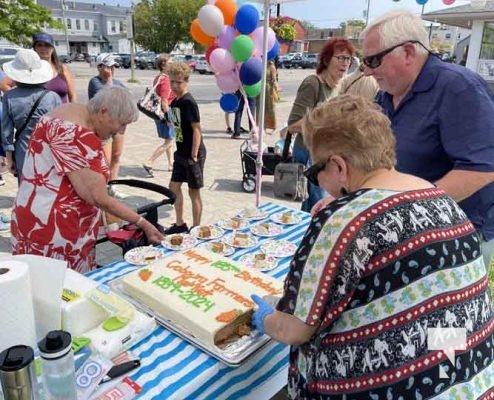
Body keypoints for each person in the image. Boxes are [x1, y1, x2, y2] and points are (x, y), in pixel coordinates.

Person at [251, 95, 494, 399]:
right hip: (468, 383)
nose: (317, 182)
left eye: (315, 172)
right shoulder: (439, 197)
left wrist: (265, 317)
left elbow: (294, 330)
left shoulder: (346, 219)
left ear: (339, 166)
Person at [361, 10, 494, 268]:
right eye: (364, 61)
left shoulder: (459, 87)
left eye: (373, 60)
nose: (366, 71)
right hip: (407, 230)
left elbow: (482, 169)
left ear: (408, 52)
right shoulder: (385, 95)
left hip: (458, 234)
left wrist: (406, 209)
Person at [11, 86, 163, 273]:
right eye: (121, 124)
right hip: (56, 230)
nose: (120, 131)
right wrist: (143, 223)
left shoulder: (63, 112)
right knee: (64, 291)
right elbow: (97, 197)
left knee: (35, 282)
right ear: (103, 111)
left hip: (31, 214)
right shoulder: (78, 136)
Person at [288, 37, 355, 212]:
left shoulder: (338, 87)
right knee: (321, 204)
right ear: (326, 60)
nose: (345, 63)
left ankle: (305, 236)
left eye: (348, 59)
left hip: (328, 155)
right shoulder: (313, 83)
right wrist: (327, 121)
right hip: (310, 153)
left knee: (311, 204)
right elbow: (293, 123)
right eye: (340, 58)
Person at [1, 49, 61, 184]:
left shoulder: (9, 97)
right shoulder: (52, 97)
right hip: (49, 152)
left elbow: (7, 131)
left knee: (27, 191)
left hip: (23, 150)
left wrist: (9, 158)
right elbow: (60, 130)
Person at [164, 62, 206, 234]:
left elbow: (197, 130)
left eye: (178, 82)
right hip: (180, 152)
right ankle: (180, 223)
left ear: (186, 81)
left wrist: (194, 155)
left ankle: (196, 228)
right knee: (173, 188)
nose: (174, 85)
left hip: (192, 153)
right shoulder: (175, 102)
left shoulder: (189, 102)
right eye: (172, 82)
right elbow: (173, 124)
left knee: (193, 191)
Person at [88, 54, 127, 198]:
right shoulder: (95, 82)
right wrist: (109, 79)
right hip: (103, 128)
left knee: (116, 156)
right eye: (107, 66)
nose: (110, 69)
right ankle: (101, 187)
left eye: (112, 66)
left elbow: (127, 98)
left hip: (119, 125)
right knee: (105, 159)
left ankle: (113, 185)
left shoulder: (118, 83)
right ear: (99, 67)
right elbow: (106, 97)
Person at [142, 53, 176, 176]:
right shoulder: (166, 79)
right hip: (167, 111)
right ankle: (149, 162)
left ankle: (171, 163)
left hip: (159, 111)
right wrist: (169, 117)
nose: (172, 65)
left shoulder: (159, 77)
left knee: (170, 139)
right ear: (163, 65)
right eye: (170, 63)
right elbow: (164, 100)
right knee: (168, 141)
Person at [32, 32, 77, 103]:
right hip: (40, 114)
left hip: (62, 113)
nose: (43, 48)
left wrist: (72, 112)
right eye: (39, 45)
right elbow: (7, 84)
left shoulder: (62, 68)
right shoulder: (30, 69)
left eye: (47, 45)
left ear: (52, 48)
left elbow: (73, 96)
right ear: (35, 48)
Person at [255, 59, 277, 132]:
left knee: (269, 107)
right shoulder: (259, 64)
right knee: (259, 107)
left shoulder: (271, 65)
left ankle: (272, 126)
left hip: (268, 88)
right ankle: (261, 125)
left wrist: (273, 87)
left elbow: (274, 79)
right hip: (259, 88)